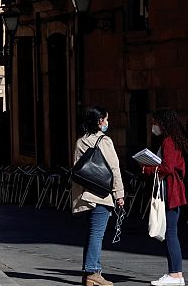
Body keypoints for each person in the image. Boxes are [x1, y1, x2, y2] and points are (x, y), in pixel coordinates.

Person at [72, 106, 124, 286]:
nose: (107, 123)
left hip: (86, 195)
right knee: (97, 234)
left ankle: (89, 273)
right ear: (100, 120)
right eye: (106, 119)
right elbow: (114, 169)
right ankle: (93, 272)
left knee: (91, 233)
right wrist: (119, 194)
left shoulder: (80, 141)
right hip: (101, 195)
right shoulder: (104, 141)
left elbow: (78, 170)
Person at [143, 108, 188, 286]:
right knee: (171, 232)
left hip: (171, 191)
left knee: (170, 233)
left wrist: (147, 168)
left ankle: (175, 274)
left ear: (163, 123)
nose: (154, 126)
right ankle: (175, 273)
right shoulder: (174, 140)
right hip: (173, 189)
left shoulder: (169, 142)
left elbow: (167, 167)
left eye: (155, 122)